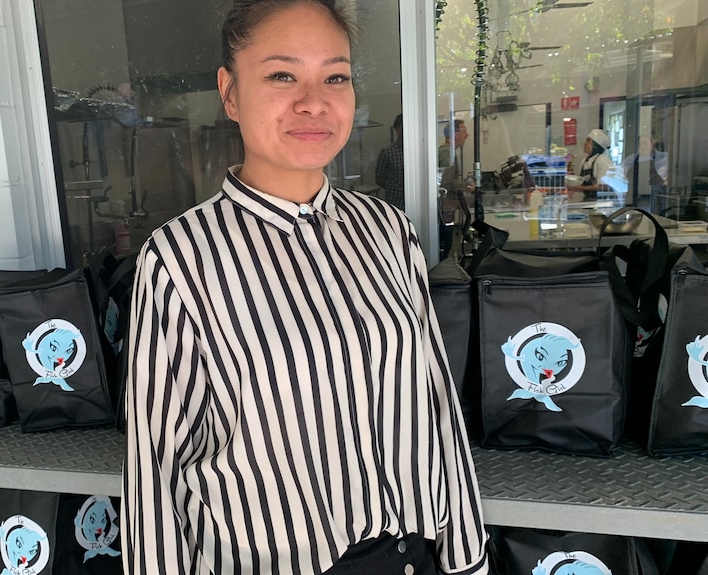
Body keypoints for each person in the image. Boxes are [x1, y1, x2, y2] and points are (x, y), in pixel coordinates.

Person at [121, 1, 489, 574]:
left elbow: (434, 403)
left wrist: (465, 554)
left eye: (334, 76)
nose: (313, 101)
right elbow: (158, 465)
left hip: (412, 557)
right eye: (282, 74)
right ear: (231, 92)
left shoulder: (388, 232)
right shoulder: (179, 259)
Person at [437, 119, 472, 260]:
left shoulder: (446, 152)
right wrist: (466, 186)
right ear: (455, 134)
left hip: (444, 211)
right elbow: (446, 183)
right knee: (445, 251)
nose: (467, 135)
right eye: (464, 131)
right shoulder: (448, 154)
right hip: (445, 211)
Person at [623, 135, 668, 212]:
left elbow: (670, 176)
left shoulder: (664, 157)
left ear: (652, 143)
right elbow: (622, 176)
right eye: (641, 144)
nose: (643, 146)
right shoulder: (630, 160)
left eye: (646, 143)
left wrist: (666, 180)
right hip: (635, 200)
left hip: (658, 196)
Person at [566, 128, 613, 201]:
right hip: (590, 200)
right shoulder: (584, 161)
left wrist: (581, 188)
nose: (585, 144)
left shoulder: (602, 160)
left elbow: (604, 186)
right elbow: (581, 181)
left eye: (588, 141)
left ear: (596, 145)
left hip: (603, 202)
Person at [375, 113, 405, 209]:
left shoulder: (419, 153)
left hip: (417, 202)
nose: (404, 131)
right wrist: (394, 187)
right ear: (396, 129)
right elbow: (379, 178)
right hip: (395, 203)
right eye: (402, 128)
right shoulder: (387, 152)